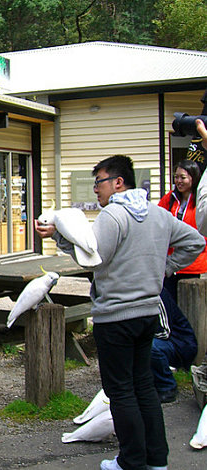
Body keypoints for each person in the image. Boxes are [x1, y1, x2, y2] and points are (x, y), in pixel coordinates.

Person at [35, 155, 204, 470]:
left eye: (99, 182)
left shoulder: (112, 215)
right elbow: (195, 242)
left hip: (115, 317)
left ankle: (131, 461)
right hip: (148, 314)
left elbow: (93, 258)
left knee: (121, 391)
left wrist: (58, 236)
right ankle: (156, 460)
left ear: (118, 182)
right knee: (144, 387)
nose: (96, 189)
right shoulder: (158, 213)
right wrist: (164, 268)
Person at [158, 159, 207, 301]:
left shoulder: (200, 202)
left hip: (195, 265)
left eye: (183, 177)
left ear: (193, 178)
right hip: (170, 266)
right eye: (176, 177)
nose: (178, 181)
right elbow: (158, 220)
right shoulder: (169, 198)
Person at [151, 288, 198, 404]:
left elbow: (165, 332)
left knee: (149, 346)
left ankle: (167, 387)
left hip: (180, 343)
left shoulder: (156, 292)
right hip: (162, 340)